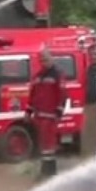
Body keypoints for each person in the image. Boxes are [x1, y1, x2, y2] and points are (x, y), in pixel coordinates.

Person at [27, 47, 67, 178]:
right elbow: (33, 95)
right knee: (43, 145)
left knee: (49, 144)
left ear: (52, 58)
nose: (44, 62)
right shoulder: (37, 76)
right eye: (42, 60)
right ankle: (45, 171)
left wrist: (59, 111)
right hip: (39, 115)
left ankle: (51, 172)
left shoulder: (57, 74)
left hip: (50, 116)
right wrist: (28, 111)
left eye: (46, 59)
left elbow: (62, 94)